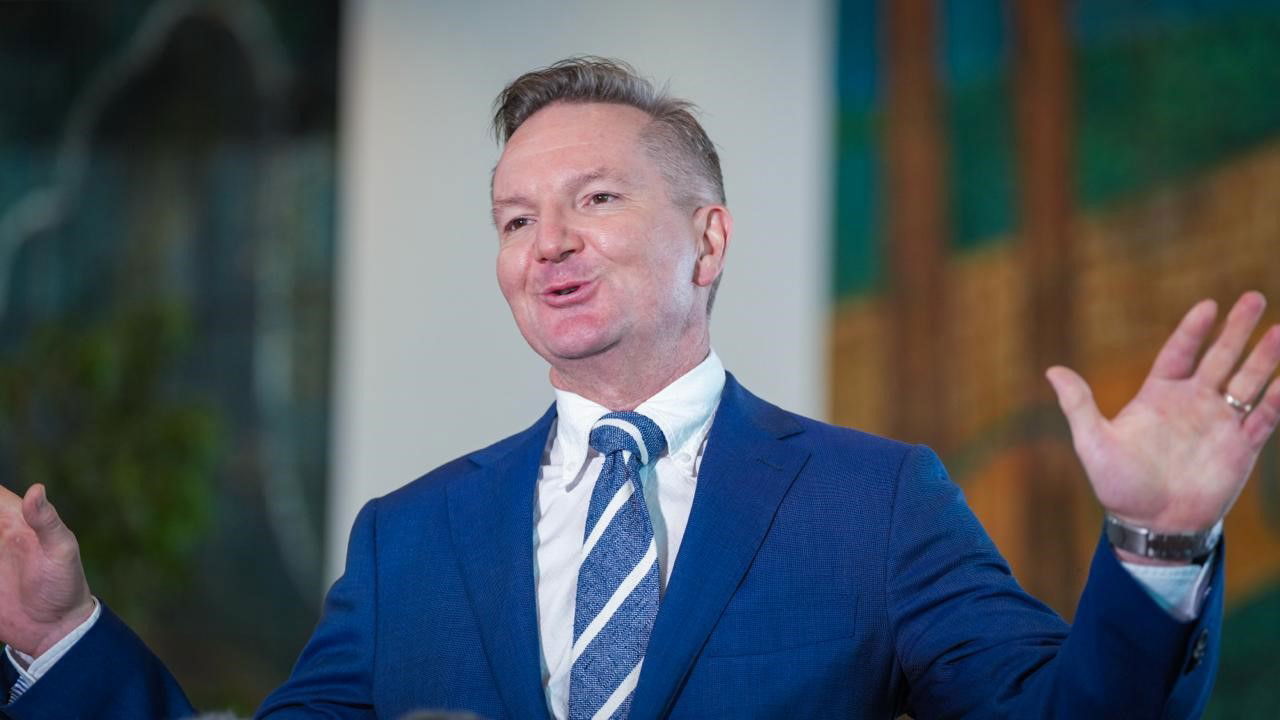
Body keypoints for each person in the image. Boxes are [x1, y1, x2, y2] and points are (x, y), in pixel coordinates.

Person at [0, 57, 1277, 720]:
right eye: (513, 219)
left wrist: (1157, 544)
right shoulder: (408, 541)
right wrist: (61, 642)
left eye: (593, 200)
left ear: (706, 241)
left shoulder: (873, 503)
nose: (545, 244)